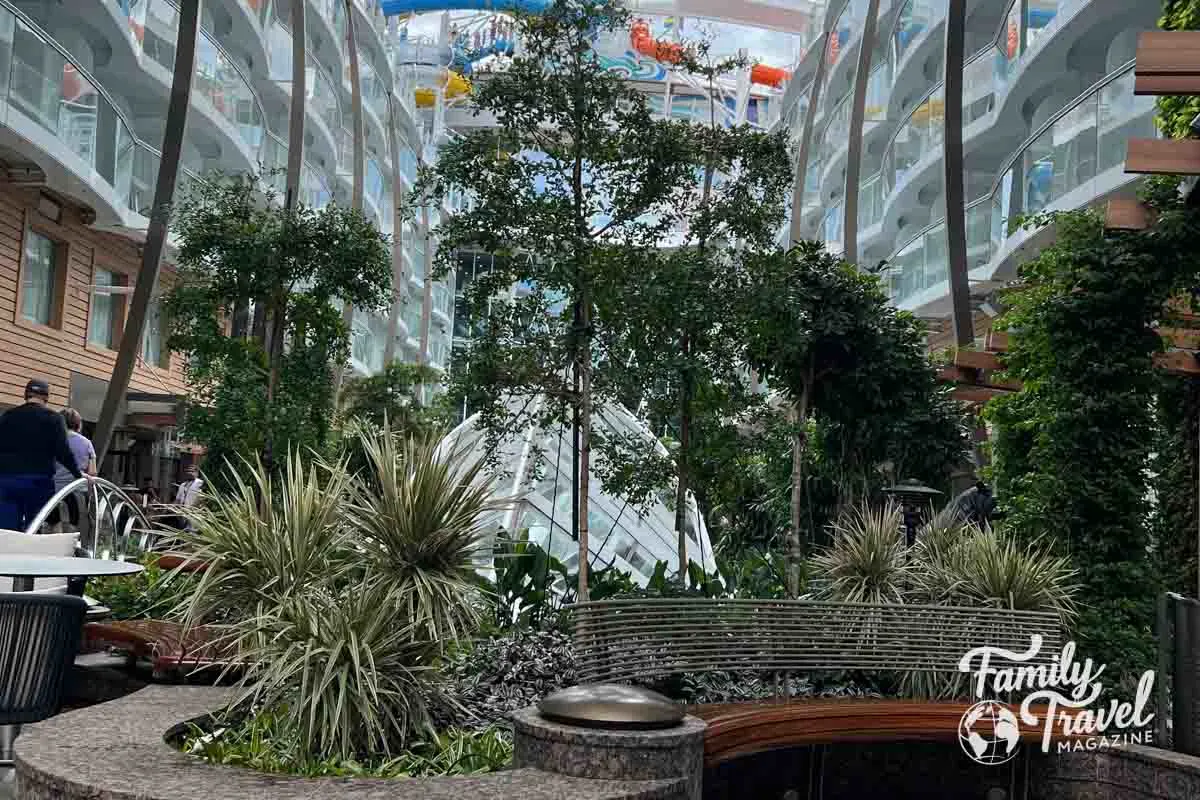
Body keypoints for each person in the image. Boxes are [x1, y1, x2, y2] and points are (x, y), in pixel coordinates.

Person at [0, 379, 85, 531]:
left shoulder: (8, 416)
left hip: (7, 480)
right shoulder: (54, 418)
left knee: (7, 530)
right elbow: (63, 453)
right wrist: (79, 474)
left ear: (26, 394)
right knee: (34, 527)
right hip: (38, 482)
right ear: (46, 397)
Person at [49, 407, 96, 530]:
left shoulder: (52, 439)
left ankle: (56, 546)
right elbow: (92, 472)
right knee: (73, 525)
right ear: (78, 424)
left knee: (54, 523)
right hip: (76, 491)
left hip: (53, 490)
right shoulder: (86, 443)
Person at [173, 464, 204, 529]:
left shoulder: (200, 483)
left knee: (192, 534)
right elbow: (178, 500)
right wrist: (175, 510)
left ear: (197, 473)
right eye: (188, 471)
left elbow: (202, 499)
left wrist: (192, 510)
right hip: (182, 514)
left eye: (192, 471)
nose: (190, 473)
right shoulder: (182, 485)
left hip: (194, 514)